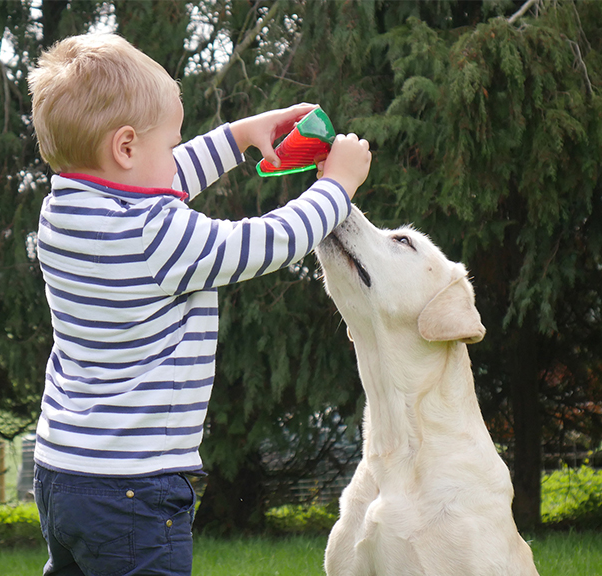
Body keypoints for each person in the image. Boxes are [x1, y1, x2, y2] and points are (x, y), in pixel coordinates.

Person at [26, 33, 371, 576]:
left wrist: (238, 138)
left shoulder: (65, 213)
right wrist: (337, 186)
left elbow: (155, 178)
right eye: (170, 143)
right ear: (125, 148)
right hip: (133, 489)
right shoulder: (155, 235)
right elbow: (263, 242)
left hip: (63, 475)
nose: (175, 156)